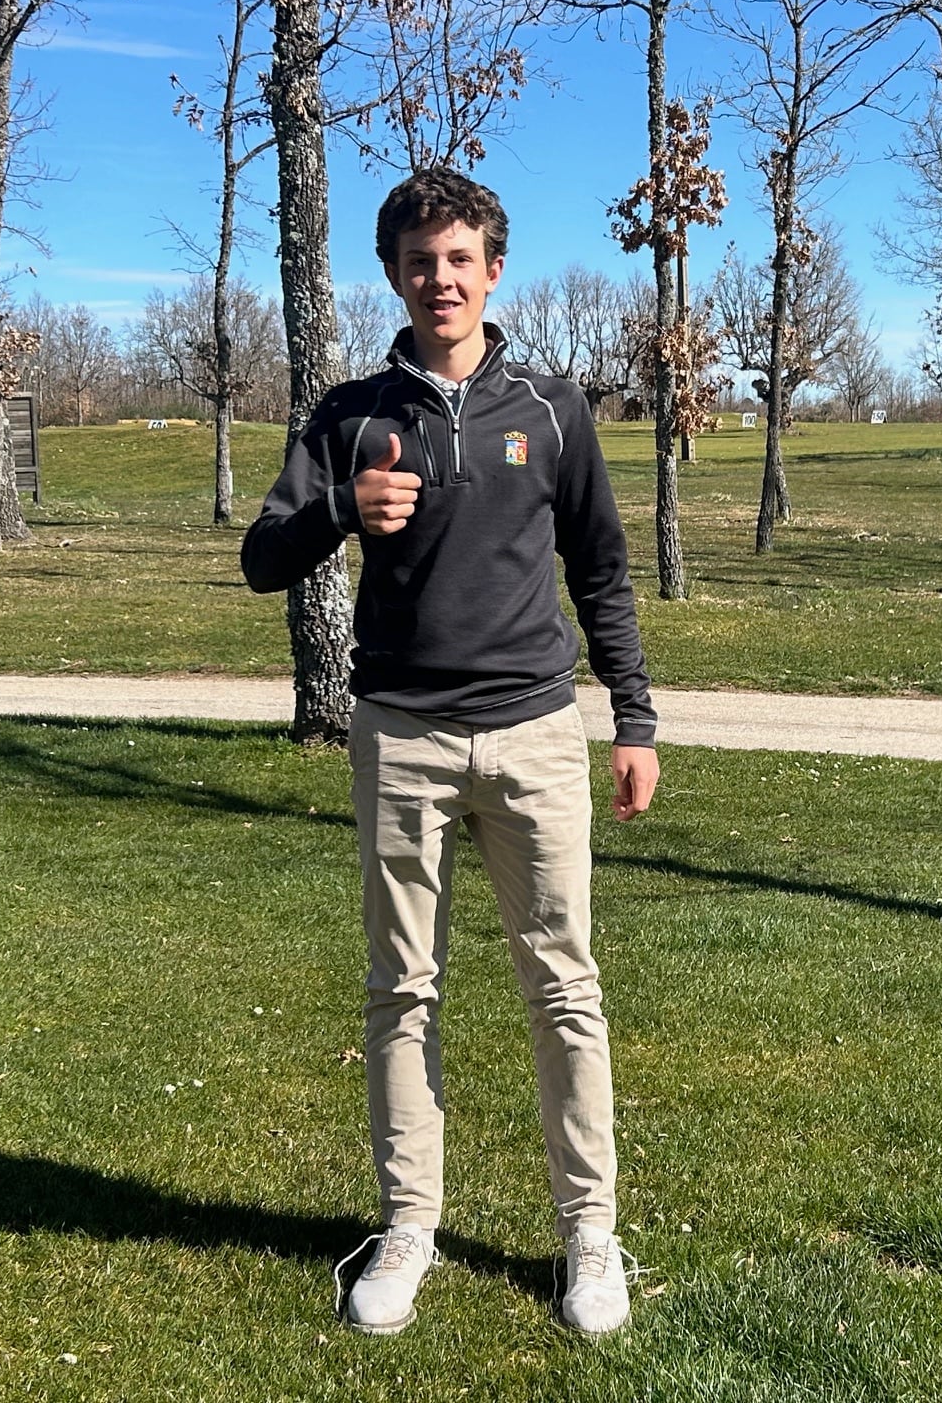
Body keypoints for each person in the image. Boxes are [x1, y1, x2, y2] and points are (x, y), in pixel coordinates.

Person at [240, 167, 660, 1337]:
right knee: (400, 991)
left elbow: (604, 572)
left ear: (493, 270)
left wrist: (633, 719)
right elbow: (263, 558)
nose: (441, 280)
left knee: (564, 988)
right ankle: (409, 1224)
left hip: (536, 731)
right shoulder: (350, 416)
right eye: (420, 261)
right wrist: (341, 511)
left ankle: (588, 1236)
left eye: (460, 259)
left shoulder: (552, 408)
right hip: (402, 737)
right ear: (394, 275)